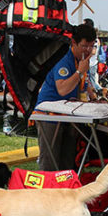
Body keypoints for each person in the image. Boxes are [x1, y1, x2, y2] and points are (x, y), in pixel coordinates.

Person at [35, 23, 98, 171]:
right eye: (84, 46)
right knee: (50, 160)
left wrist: (94, 97)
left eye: (91, 46)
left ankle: (66, 190)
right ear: (74, 43)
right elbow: (62, 89)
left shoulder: (82, 60)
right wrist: (79, 72)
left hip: (70, 114)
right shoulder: (63, 59)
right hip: (49, 114)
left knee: (68, 159)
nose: (88, 50)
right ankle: (47, 192)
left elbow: (85, 84)